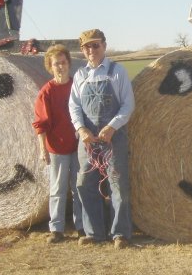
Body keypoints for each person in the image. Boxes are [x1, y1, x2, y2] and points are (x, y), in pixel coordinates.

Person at [69, 29, 135, 249]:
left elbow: (128, 105)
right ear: (83, 50)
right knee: (85, 184)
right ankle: (94, 233)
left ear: (104, 46)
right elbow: (74, 107)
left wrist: (112, 127)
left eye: (96, 45)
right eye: (87, 47)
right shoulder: (80, 76)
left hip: (112, 137)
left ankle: (120, 234)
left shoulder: (118, 72)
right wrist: (81, 129)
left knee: (118, 184)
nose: (92, 50)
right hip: (87, 139)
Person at [32, 44, 84, 244]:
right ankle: (57, 229)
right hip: (57, 148)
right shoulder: (47, 91)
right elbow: (40, 123)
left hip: (79, 146)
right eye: (56, 64)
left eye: (63, 62)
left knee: (79, 188)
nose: (60, 67)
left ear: (69, 63)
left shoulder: (77, 86)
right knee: (58, 190)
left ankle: (81, 226)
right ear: (50, 67)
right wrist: (42, 148)